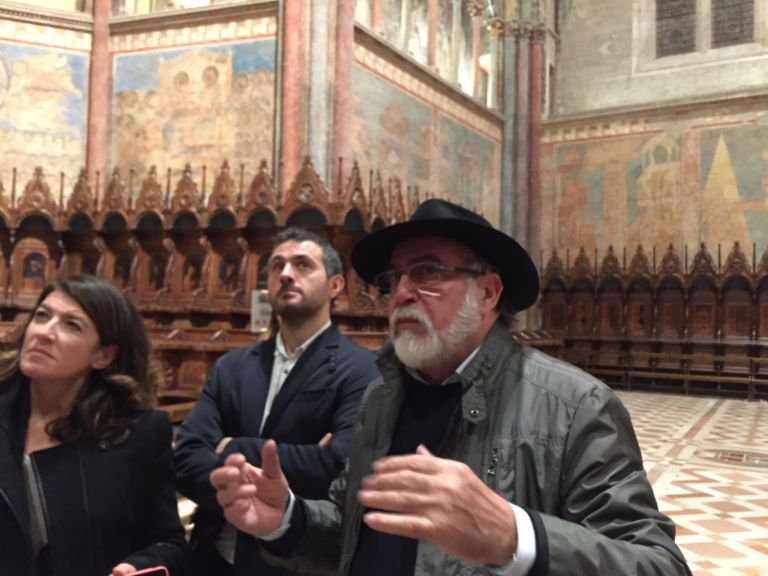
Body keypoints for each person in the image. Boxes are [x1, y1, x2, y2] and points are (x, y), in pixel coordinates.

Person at [210, 199, 692, 576]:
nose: (401, 292)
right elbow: (356, 528)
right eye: (394, 277)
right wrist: (287, 519)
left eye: (428, 272)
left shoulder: (573, 407)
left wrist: (515, 538)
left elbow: (656, 563)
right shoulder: (382, 399)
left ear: (487, 292)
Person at [174, 227, 380, 576]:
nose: (286, 274)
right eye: (277, 266)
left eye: (303, 265)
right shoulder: (231, 367)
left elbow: (337, 466)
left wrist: (229, 447)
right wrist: (301, 458)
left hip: (295, 563)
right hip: (212, 559)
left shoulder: (362, 369)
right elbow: (185, 458)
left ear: (335, 285)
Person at [0, 274, 188, 575]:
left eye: (71, 325)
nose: (45, 333)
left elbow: (168, 543)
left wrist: (137, 567)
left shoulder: (140, 434)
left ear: (103, 355)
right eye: (42, 316)